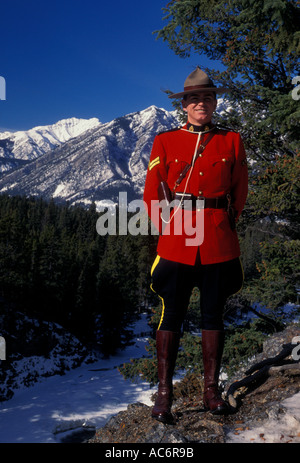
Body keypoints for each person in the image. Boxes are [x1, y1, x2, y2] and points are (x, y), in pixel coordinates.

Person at [143, 67, 248, 423]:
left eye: (207, 97)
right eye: (193, 98)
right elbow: (152, 192)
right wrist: (167, 229)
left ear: (215, 102)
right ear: (184, 105)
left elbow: (240, 189)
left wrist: (225, 222)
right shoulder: (165, 141)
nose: (200, 103)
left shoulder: (231, 140)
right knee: (170, 314)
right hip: (178, 240)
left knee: (212, 315)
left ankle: (211, 393)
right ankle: (163, 396)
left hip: (218, 239)